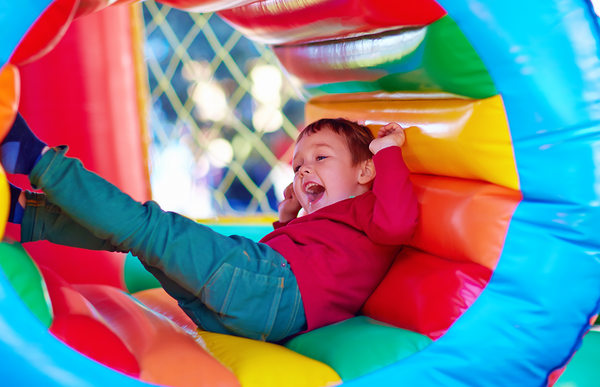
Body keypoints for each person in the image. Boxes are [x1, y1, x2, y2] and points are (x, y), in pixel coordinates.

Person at [2, 114, 418, 342]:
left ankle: (36, 159)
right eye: (297, 165)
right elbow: (309, 258)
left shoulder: (368, 206)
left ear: (365, 170)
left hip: (270, 291)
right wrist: (290, 218)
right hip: (254, 314)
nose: (304, 167)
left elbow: (398, 223)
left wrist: (386, 153)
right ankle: (26, 215)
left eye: (321, 158)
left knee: (151, 227)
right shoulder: (336, 225)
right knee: (141, 242)